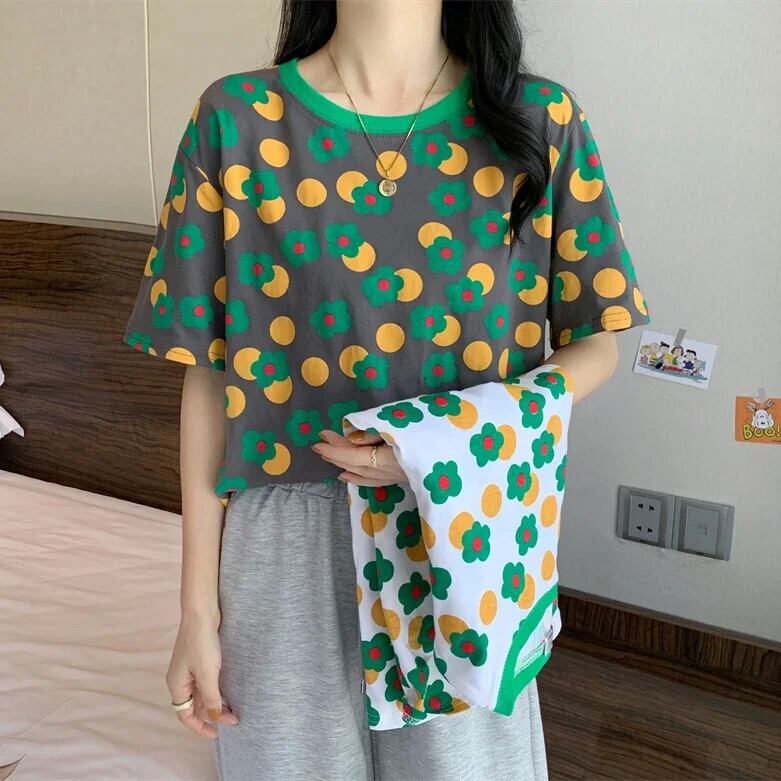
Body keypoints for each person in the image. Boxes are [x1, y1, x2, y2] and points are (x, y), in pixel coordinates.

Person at [121, 1, 651, 778]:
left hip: (467, 522)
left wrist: (444, 440)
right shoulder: (235, 120)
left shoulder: (539, 121)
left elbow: (595, 340)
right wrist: (196, 611)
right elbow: (208, 373)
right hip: (286, 543)